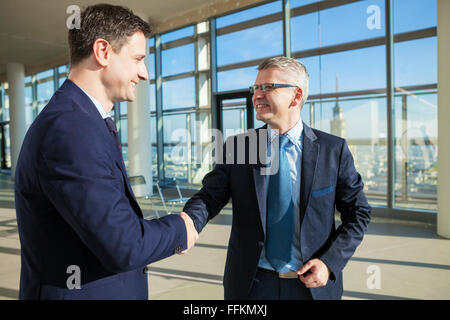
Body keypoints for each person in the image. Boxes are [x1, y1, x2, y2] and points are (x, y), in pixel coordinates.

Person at [14, 4, 198, 300]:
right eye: (138, 59)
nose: (145, 74)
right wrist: (180, 228)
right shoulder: (70, 128)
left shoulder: (79, 120)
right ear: (102, 52)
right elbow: (125, 245)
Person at [182, 56, 371, 300]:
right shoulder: (240, 147)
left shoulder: (333, 150)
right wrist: (188, 222)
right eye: (256, 88)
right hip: (251, 286)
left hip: (312, 287)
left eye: (268, 87)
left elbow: (358, 213)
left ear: (297, 95)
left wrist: (329, 262)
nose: (257, 95)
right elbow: (209, 197)